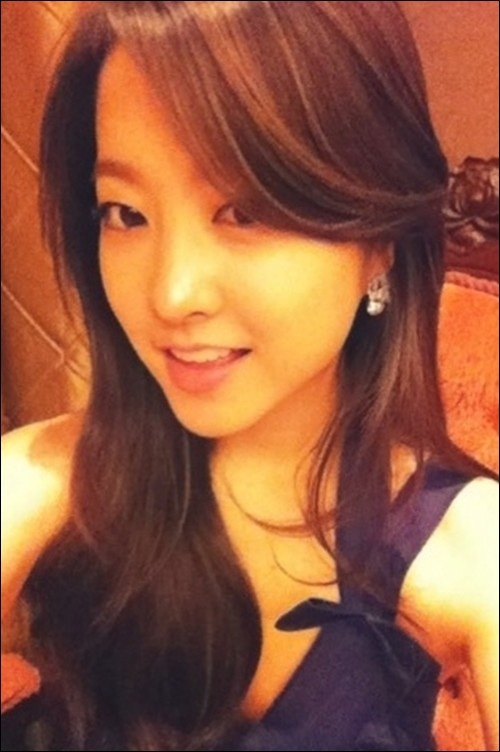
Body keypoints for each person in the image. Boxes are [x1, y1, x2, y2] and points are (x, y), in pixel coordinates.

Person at [1, 1, 498, 750]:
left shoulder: (469, 554)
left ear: (381, 241)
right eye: (125, 213)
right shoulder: (47, 486)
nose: (172, 294)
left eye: (245, 211)